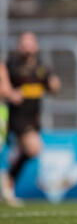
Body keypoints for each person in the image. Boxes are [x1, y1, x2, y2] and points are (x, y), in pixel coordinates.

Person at [0, 32, 61, 207]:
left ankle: (7, 182)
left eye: (30, 43)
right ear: (19, 46)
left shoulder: (42, 67)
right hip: (13, 117)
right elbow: (4, 89)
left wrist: (54, 86)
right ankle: (8, 181)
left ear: (36, 46)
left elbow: (53, 87)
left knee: (30, 150)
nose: (27, 47)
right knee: (34, 147)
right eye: (24, 43)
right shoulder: (11, 65)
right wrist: (11, 94)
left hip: (33, 117)